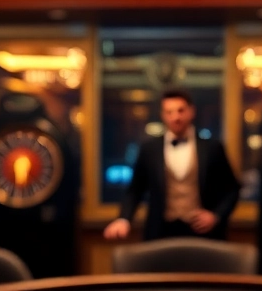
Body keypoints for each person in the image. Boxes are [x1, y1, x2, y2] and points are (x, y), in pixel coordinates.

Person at [103, 89, 241, 241]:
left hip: (203, 233)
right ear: (163, 115)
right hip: (160, 232)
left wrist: (216, 215)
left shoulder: (212, 148)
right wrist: (124, 219)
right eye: (169, 112)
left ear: (191, 112)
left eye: (180, 111)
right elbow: (135, 189)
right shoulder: (149, 149)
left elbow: (232, 189)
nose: (175, 117)